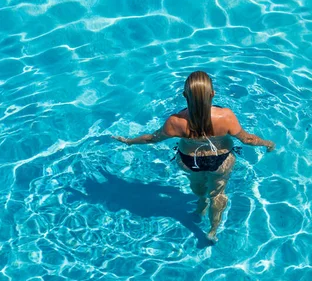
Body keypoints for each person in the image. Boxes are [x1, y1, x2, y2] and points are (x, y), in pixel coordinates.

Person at [112, 71, 275, 243]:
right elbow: (247, 139)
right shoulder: (225, 116)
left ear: (184, 95)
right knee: (218, 194)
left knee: (198, 187)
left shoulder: (175, 121)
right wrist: (267, 143)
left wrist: (129, 141)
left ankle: (201, 205)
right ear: (212, 94)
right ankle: (212, 231)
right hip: (221, 161)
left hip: (191, 161)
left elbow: (152, 138)